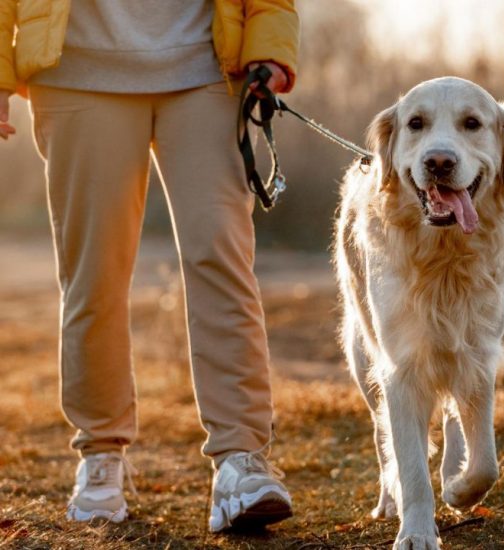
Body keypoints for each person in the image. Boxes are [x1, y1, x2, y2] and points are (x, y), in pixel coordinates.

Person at [0, 0, 299, 532]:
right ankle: (100, 456)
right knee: (93, 274)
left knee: (221, 259)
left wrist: (270, 45)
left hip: (209, 65)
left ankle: (240, 460)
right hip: (76, 70)